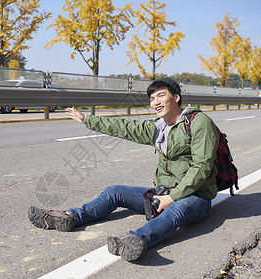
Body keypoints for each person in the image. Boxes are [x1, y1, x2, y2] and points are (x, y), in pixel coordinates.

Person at [28, 77, 219, 261]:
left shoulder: (198, 122)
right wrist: (87, 119)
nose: (155, 102)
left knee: (177, 209)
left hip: (195, 197)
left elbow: (202, 166)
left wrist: (173, 197)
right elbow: (124, 127)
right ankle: (70, 217)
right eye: (152, 99)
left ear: (176, 97)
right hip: (164, 194)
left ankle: (137, 239)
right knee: (114, 192)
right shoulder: (158, 128)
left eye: (161, 95)